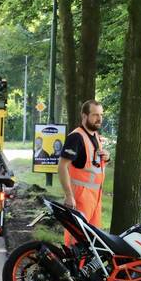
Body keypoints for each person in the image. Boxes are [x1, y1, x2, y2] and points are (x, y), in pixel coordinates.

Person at [57, 100, 110, 246]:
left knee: (92, 241)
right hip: (80, 197)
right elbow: (62, 167)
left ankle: (85, 268)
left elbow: (94, 165)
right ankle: (70, 268)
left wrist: (107, 156)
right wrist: (69, 195)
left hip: (95, 197)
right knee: (76, 240)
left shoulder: (95, 135)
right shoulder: (76, 137)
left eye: (101, 115)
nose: (99, 119)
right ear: (84, 116)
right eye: (95, 115)